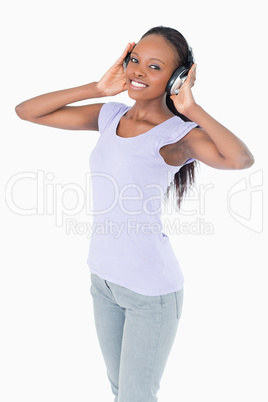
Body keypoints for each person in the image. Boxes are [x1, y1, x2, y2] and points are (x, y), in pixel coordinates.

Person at [15, 26, 254, 402]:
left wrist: (191, 106)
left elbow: (240, 159)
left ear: (177, 78)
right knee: (120, 390)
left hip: (150, 293)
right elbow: (26, 111)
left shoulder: (179, 135)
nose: (139, 71)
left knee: (136, 396)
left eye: (155, 66)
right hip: (104, 282)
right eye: (135, 60)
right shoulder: (109, 116)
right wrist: (96, 89)